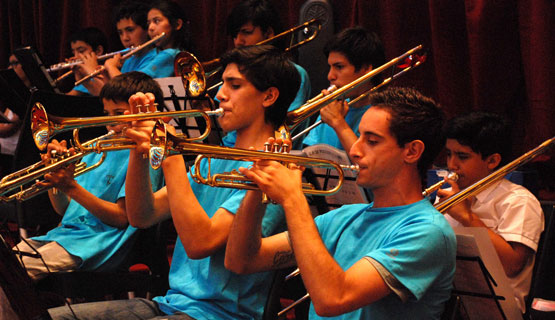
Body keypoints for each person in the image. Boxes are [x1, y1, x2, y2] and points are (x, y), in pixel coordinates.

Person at [48, 45, 300, 320]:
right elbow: (141, 215)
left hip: (219, 315)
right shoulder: (211, 161)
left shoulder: (273, 172)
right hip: (171, 304)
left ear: (269, 96)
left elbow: (199, 243)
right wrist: (139, 143)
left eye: (234, 85)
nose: (219, 94)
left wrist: (169, 154)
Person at [225, 87, 457, 319]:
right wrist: (257, 187)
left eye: (372, 141)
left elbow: (334, 299)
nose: (354, 150)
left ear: (412, 151)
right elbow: (241, 261)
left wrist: (293, 198)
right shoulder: (343, 216)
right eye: (360, 137)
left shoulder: (428, 231)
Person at [12, 71, 165, 281]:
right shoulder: (96, 150)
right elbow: (64, 209)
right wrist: (57, 180)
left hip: (98, 244)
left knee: (14, 274)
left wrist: (73, 187)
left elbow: (122, 218)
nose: (110, 122)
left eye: (119, 113)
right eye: (106, 113)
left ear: (143, 114)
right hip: (64, 236)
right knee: (6, 264)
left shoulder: (143, 157)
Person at [437, 111, 544, 313]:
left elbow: (511, 266)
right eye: (449, 154)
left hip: (497, 311)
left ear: (493, 161)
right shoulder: (448, 194)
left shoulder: (518, 201)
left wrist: (467, 217)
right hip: (450, 303)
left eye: (462, 156)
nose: (451, 165)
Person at [221, 0, 311, 148]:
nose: (238, 41)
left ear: (269, 33)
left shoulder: (294, 73)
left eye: (247, 32)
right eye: (234, 35)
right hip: (227, 151)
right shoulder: (232, 71)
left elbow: (283, 127)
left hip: (262, 152)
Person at [302, 26, 385, 154]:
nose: (330, 76)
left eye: (339, 67)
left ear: (366, 69)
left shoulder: (384, 114)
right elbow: (308, 157)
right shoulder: (331, 107)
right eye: (330, 67)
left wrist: (338, 123)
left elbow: (370, 165)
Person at [0, 54, 29, 175]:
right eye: (10, 64)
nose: (11, 68)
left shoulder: (27, 96)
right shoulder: (14, 94)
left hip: (15, 158)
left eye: (15, 63)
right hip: (4, 153)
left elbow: (8, 129)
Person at [66, 27, 109, 96]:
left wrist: (93, 71)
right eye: (73, 53)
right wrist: (81, 78)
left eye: (81, 51)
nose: (76, 57)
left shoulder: (110, 71)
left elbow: (109, 96)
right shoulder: (85, 73)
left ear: (98, 51)